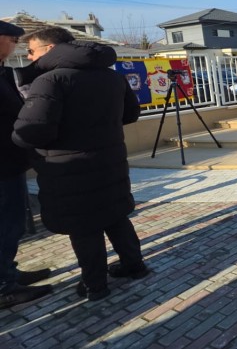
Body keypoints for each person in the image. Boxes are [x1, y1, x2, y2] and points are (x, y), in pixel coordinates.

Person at [13, 27, 148, 302]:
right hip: (110, 161)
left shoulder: (49, 80)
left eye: (32, 51)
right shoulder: (112, 76)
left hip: (69, 168)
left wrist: (18, 134)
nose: (29, 57)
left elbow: (32, 132)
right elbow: (131, 114)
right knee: (115, 216)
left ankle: (94, 285)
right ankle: (135, 266)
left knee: (84, 227)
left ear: (50, 49)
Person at [0, 21, 52, 309]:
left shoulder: (3, 72)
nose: (16, 47)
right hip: (2, 165)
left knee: (12, 223)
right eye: (13, 40)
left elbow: (26, 73)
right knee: (6, 225)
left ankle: (9, 272)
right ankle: (4, 287)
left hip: (11, 162)